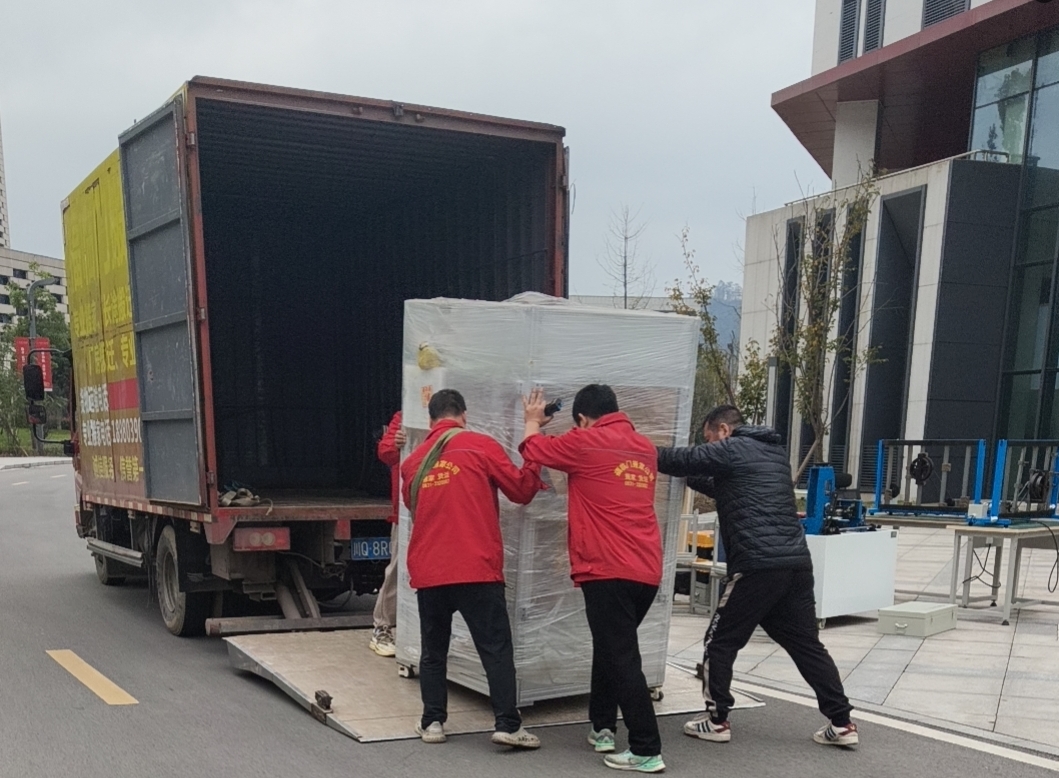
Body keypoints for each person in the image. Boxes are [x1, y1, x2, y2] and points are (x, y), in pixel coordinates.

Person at [656, 405, 858, 747]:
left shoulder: (733, 448)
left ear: (723, 430)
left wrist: (634, 448)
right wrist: (686, 478)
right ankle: (842, 723)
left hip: (757, 566)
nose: (708, 446)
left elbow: (683, 459)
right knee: (806, 645)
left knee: (719, 642)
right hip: (795, 565)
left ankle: (716, 720)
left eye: (709, 439)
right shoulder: (773, 454)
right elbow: (725, 487)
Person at [520, 385, 665, 774]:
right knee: (611, 647)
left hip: (607, 567)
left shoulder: (585, 442)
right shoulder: (645, 448)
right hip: (646, 569)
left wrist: (533, 421)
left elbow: (534, 449)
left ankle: (646, 748)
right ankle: (602, 727)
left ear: (583, 419)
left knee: (621, 656)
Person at [401, 388, 543, 749]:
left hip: (431, 571)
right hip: (476, 568)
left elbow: (412, 505)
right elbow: (522, 490)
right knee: (495, 648)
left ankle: (433, 723)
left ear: (431, 419)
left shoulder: (413, 462)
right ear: (463, 415)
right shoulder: (480, 446)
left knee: (433, 651)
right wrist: (535, 445)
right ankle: (508, 725)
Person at [370, 411, 405, 657]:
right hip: (407, 513)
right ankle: (382, 627)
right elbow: (385, 451)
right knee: (397, 570)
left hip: (443, 512)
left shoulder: (460, 417)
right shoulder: (405, 417)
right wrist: (396, 444)